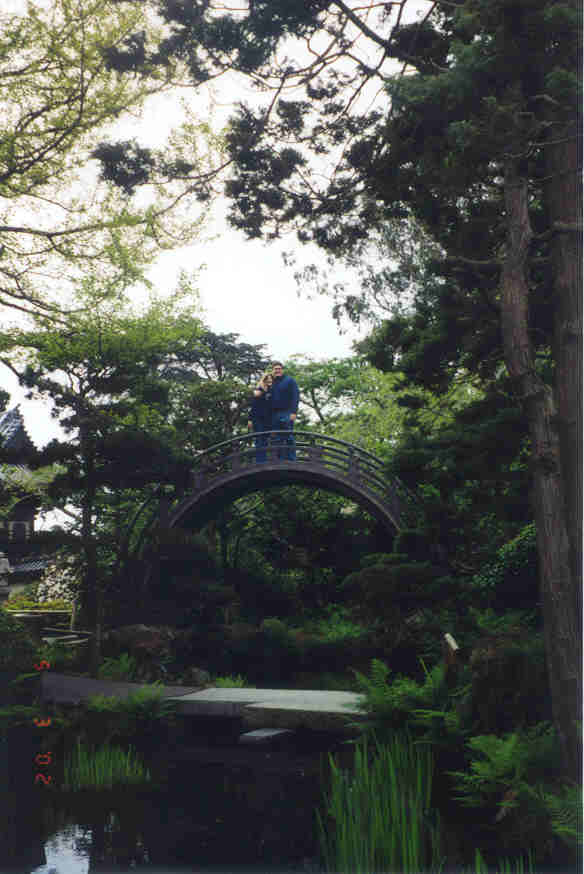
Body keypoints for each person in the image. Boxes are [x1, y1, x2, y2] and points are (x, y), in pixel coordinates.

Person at [270, 361, 299, 460]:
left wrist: (294, 412)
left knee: (288, 435)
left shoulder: (290, 380)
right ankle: (280, 459)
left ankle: (292, 459)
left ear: (282, 370)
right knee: (277, 437)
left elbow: (295, 396)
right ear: (272, 370)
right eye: (275, 369)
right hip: (274, 414)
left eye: (279, 369)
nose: (277, 371)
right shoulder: (271, 381)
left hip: (287, 412)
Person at [248, 372, 272, 462]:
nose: (269, 381)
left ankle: (264, 459)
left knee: (265, 439)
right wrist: (250, 419)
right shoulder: (259, 391)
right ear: (264, 380)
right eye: (267, 380)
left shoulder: (271, 391)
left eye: (271, 380)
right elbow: (253, 406)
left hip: (267, 419)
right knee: (259, 439)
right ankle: (260, 461)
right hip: (257, 418)